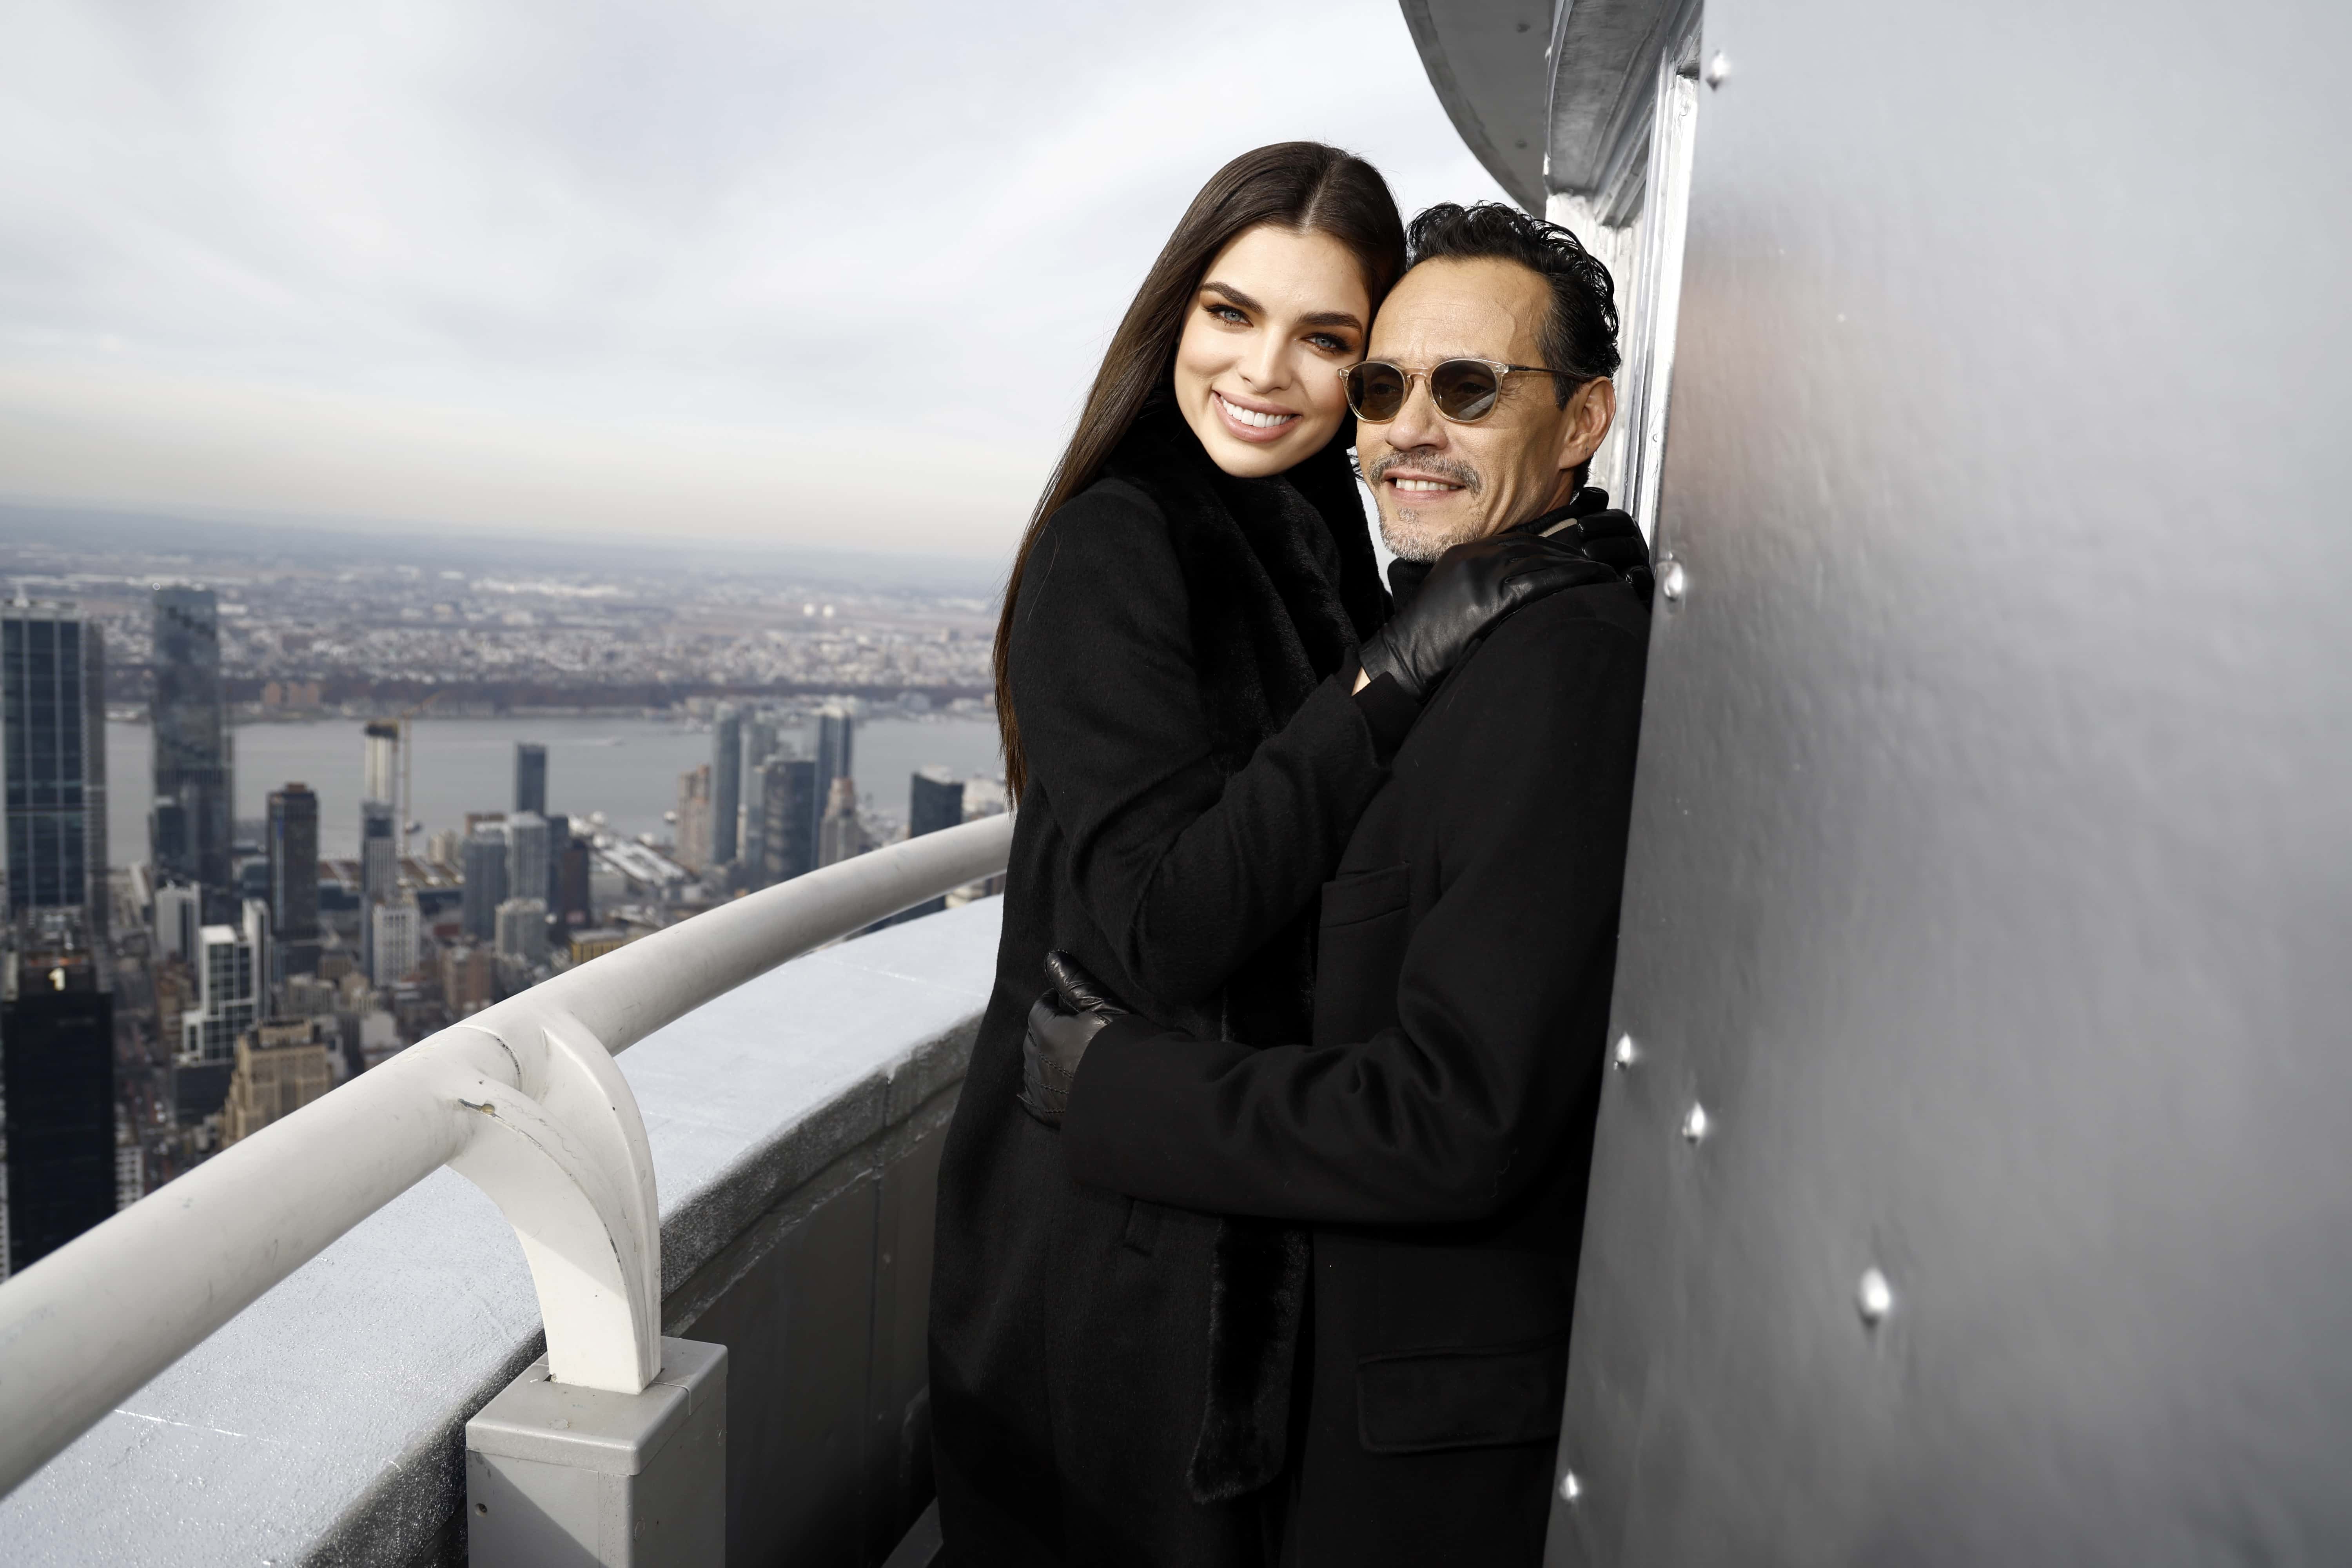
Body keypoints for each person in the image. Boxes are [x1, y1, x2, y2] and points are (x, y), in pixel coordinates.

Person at [931, 152, 1602, 1566]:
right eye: (1231, 314)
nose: (1265, 372)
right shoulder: (1120, 543)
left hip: (1230, 1218)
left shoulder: (1322, 541)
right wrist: (1396, 672)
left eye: (1328, 341)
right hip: (1109, 1236)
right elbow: (1158, 927)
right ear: (1173, 316)